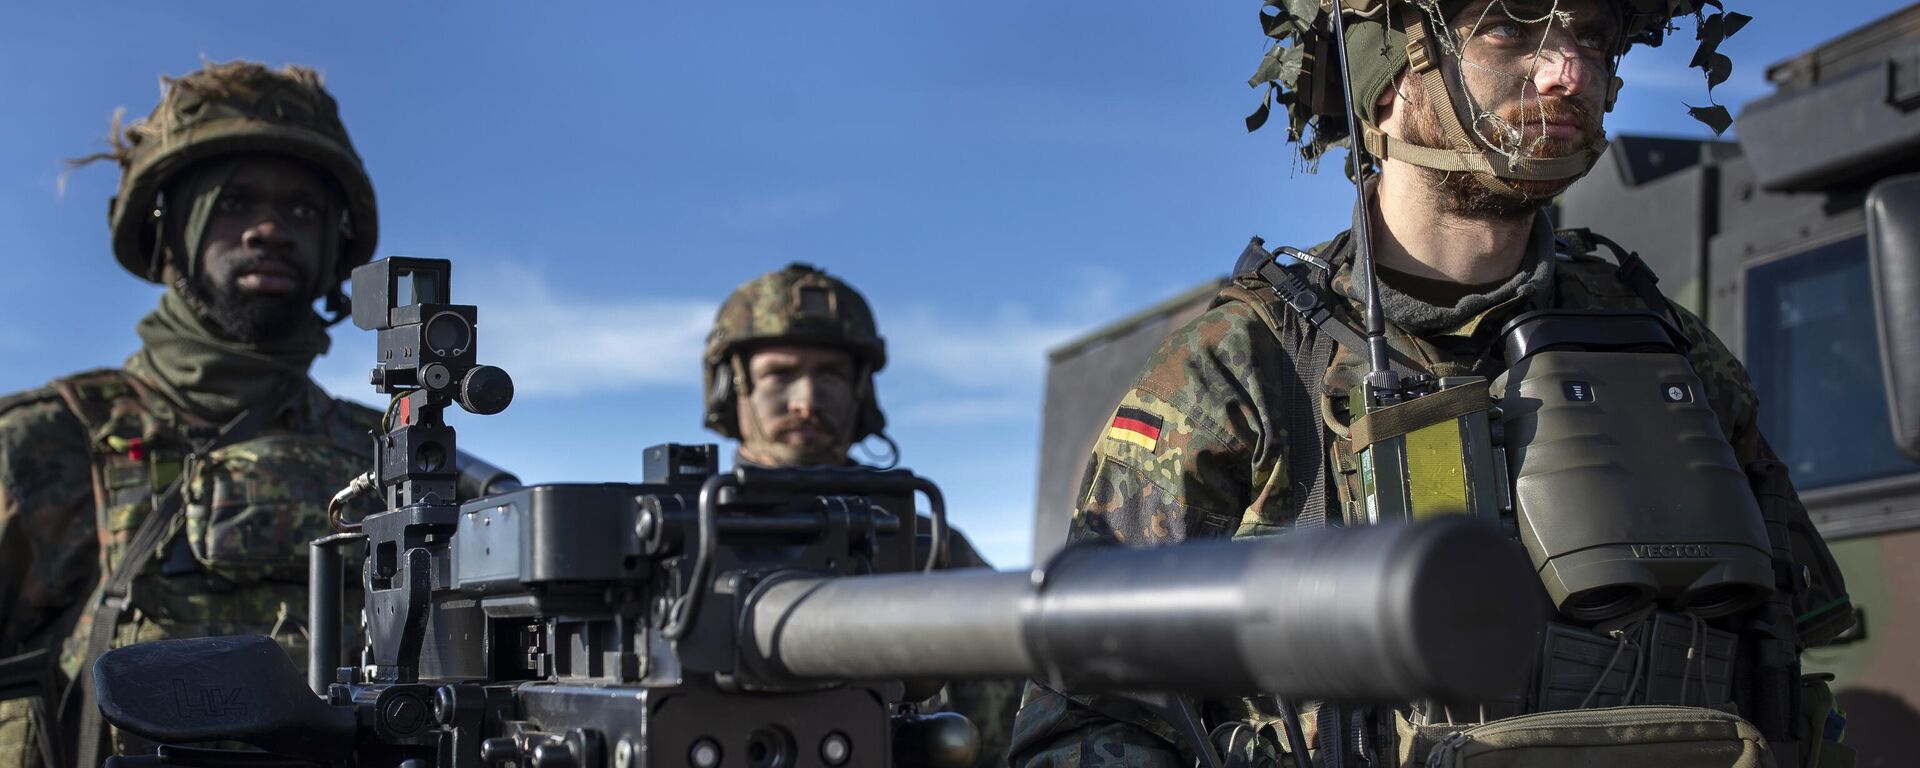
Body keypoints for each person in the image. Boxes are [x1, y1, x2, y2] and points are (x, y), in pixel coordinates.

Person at [1010, 1, 1855, 766]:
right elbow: (1087, 718)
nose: (1568, 71)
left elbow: (1784, 664)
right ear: (1389, 78)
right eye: (1511, 25)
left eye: (1591, 37)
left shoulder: (1671, 350)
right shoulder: (1245, 368)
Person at [0, 60, 384, 767]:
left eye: (303, 211)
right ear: (170, 229)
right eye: (234, 203)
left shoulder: (386, 456)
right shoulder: (45, 444)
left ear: (336, 244)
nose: (270, 229)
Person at [702, 263, 1023, 768]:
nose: (806, 401)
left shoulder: (925, 545)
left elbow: (1007, 731)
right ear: (731, 388)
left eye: (829, 374)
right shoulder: (683, 542)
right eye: (779, 374)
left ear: (860, 391)